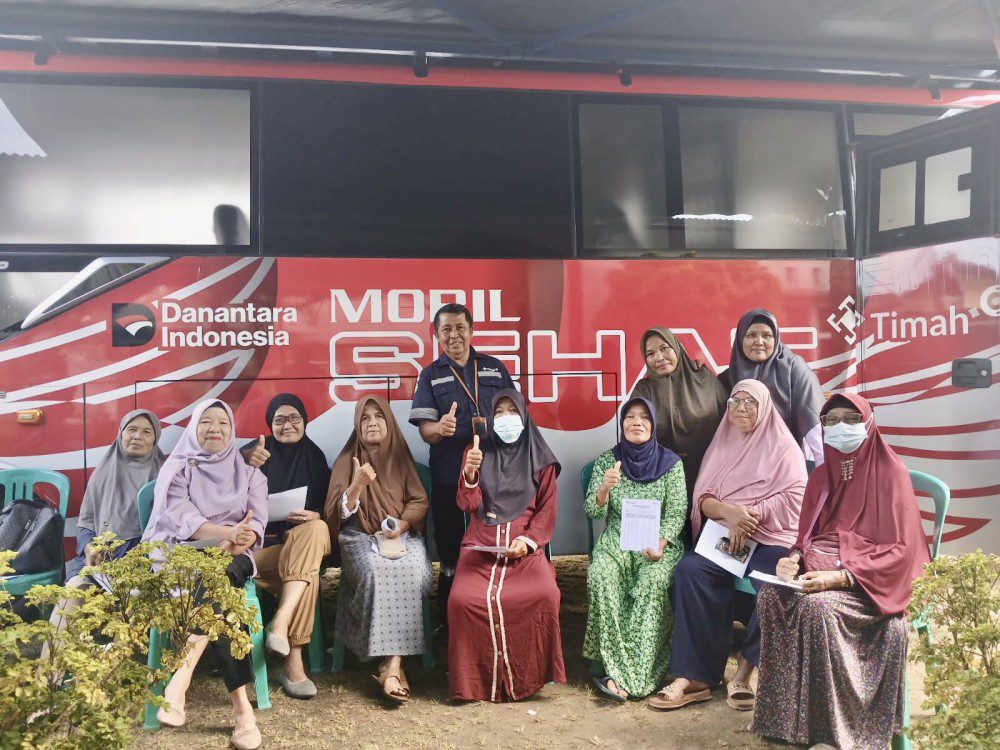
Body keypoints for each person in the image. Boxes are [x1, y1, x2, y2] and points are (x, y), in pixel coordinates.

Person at [750, 393, 930, 750]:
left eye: (850, 418)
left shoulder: (891, 473)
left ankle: (834, 733)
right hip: (823, 572)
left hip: (873, 583)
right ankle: (786, 721)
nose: (840, 427)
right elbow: (806, 537)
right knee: (771, 596)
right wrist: (793, 559)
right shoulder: (821, 476)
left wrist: (843, 576)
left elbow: (902, 550)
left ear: (868, 423)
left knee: (818, 609)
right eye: (831, 421)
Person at [649, 380, 806, 712]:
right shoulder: (722, 442)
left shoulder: (784, 447)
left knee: (778, 586)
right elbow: (703, 498)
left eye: (750, 402)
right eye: (735, 401)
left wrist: (748, 516)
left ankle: (744, 671)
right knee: (690, 571)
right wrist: (729, 513)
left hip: (770, 539)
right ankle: (696, 677)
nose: (741, 408)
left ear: (765, 408)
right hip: (726, 534)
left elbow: (796, 496)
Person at [141, 400, 268, 750]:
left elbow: (258, 522)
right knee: (217, 587)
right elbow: (183, 518)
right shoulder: (178, 469)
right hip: (183, 553)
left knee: (217, 575)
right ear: (194, 428)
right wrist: (226, 534)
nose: (215, 429)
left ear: (232, 430)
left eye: (223, 423)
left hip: (236, 556)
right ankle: (242, 710)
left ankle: (180, 679)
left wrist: (243, 537)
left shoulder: (252, 475)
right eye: (206, 422)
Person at [449, 389, 565, 702]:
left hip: (524, 550)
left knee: (545, 593)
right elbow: (467, 504)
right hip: (481, 546)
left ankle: (529, 678)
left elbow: (547, 511)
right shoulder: (476, 451)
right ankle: (474, 683)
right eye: (498, 412)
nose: (505, 418)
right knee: (461, 599)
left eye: (512, 411)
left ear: (524, 416)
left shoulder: (541, 459)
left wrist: (528, 542)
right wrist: (470, 473)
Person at [409, 303, 515, 623]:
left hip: (495, 469)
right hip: (449, 472)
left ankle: (498, 604)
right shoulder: (430, 375)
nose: (454, 335)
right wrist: (439, 428)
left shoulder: (495, 368)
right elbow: (425, 431)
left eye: (460, 327)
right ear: (436, 335)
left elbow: (516, 414)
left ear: (471, 330)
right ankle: (451, 615)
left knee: (495, 534)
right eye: (446, 329)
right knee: (450, 541)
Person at [325, 395, 433, 703]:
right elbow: (335, 513)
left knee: (413, 571)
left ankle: (391, 664)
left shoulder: (401, 457)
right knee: (376, 572)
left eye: (379, 416)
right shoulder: (347, 460)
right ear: (357, 425)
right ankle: (394, 667)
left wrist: (402, 524)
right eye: (365, 418)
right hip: (359, 537)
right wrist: (357, 484)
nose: (372, 422)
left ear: (389, 423)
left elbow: (418, 500)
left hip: (401, 536)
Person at [583, 397, 687, 701]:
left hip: (656, 542)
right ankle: (616, 667)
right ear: (622, 423)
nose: (636, 422)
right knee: (602, 575)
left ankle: (635, 676)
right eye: (630, 417)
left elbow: (677, 512)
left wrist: (661, 542)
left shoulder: (671, 463)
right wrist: (604, 488)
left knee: (652, 582)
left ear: (653, 424)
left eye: (644, 417)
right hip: (617, 540)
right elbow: (593, 511)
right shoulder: (608, 461)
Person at [254, 394, 332, 699]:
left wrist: (316, 514)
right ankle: (293, 661)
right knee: (307, 575)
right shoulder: (255, 455)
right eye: (279, 420)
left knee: (316, 528)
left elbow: (329, 507)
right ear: (269, 424)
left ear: (305, 421)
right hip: (259, 554)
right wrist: (246, 466)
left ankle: (281, 623)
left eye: (294, 418)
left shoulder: (315, 458)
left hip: (300, 547)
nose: (288, 425)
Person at [629, 326, 728, 537]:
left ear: (677, 348)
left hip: (710, 472)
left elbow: (729, 424)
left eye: (665, 348)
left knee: (707, 541)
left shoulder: (704, 379)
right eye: (650, 353)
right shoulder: (643, 390)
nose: (659, 357)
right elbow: (633, 437)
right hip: (663, 476)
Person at [66, 409, 166, 580]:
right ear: (121, 434)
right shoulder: (103, 473)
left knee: (133, 594)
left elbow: (167, 530)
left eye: (147, 432)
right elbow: (86, 523)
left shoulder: (165, 477)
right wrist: (89, 547)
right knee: (75, 588)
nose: (138, 436)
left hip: (144, 559)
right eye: (132, 429)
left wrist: (140, 553)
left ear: (155, 439)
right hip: (100, 557)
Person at [723, 309, 824, 466]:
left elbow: (812, 421)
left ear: (775, 338)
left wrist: (824, 466)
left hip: (784, 463)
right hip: (740, 463)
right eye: (751, 335)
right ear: (740, 338)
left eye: (767, 335)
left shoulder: (793, 369)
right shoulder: (728, 377)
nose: (759, 341)